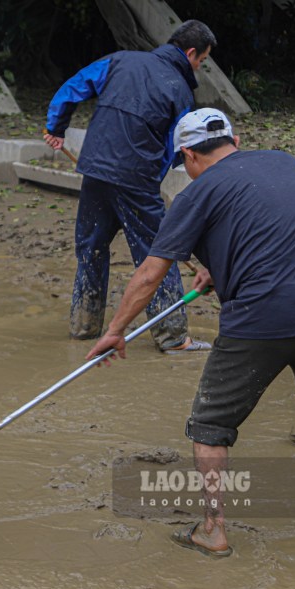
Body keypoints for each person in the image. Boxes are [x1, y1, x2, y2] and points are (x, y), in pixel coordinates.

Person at [86, 108, 295, 557]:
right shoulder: (284, 162)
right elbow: (269, 224)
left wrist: (115, 331)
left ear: (189, 155)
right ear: (233, 138)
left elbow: (152, 272)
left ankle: (213, 529)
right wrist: (220, 268)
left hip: (259, 320)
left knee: (210, 426)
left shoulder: (195, 195)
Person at [44, 19, 216, 353]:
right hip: (136, 180)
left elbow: (70, 89)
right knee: (159, 255)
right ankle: (174, 337)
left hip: (94, 170)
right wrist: (155, 178)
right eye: (201, 61)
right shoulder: (180, 90)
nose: (198, 68)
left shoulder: (119, 60)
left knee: (91, 248)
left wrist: (57, 127)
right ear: (191, 53)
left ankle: (84, 327)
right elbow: (175, 149)